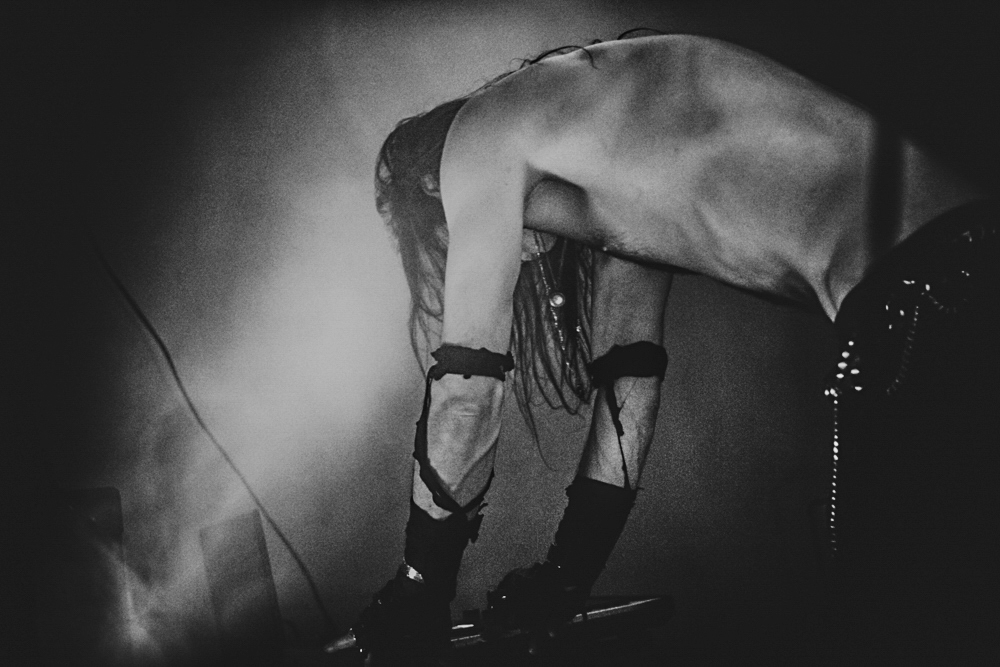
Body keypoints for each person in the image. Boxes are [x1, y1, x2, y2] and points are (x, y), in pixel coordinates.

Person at [331, 33, 997, 664]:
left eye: (446, 239)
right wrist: (567, 574)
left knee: (900, 620)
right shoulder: (617, 135)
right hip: (967, 260)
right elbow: (630, 389)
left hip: (930, 296)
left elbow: (467, 396)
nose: (507, 257)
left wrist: (418, 587)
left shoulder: (481, 135)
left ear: (431, 188)